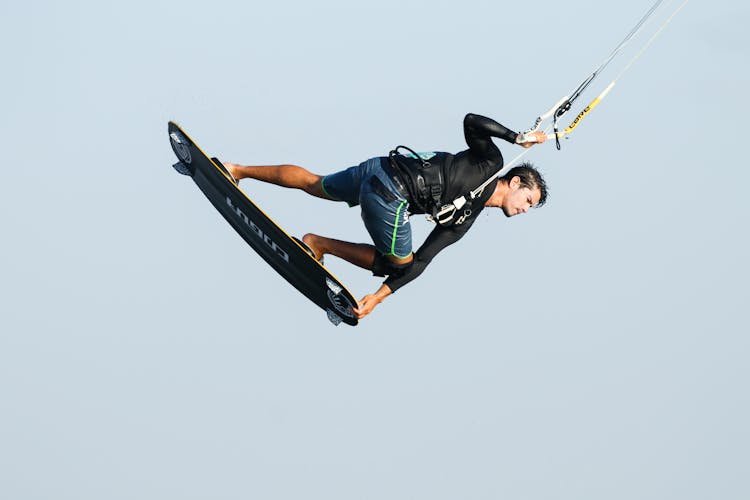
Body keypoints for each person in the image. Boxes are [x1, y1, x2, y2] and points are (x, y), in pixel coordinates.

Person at [224, 113, 548, 320]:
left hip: (378, 169)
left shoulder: (464, 219)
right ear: (516, 182)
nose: (524, 209)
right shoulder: (491, 163)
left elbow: (424, 260)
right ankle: (318, 244)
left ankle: (236, 169)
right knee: (397, 262)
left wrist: (378, 298)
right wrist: (516, 137)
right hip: (391, 193)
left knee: (315, 183)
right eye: (528, 200)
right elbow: (472, 122)